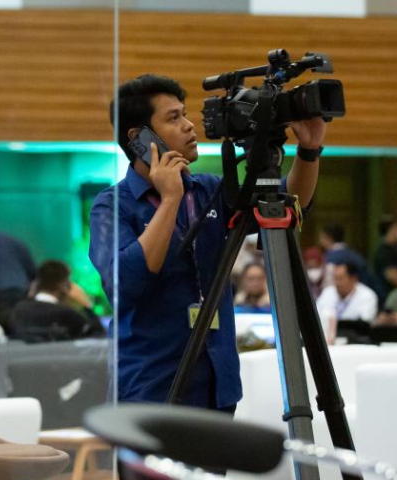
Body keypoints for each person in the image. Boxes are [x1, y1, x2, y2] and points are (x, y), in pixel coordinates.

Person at [88, 74, 324, 411]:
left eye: (185, 113)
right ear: (139, 138)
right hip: (149, 386)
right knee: (155, 468)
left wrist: (310, 150)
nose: (188, 125)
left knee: (213, 466)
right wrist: (170, 199)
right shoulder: (111, 206)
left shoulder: (209, 190)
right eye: (173, 118)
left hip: (216, 383)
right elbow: (124, 282)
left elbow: (286, 205)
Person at [11, 260, 104, 343]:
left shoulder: (19, 310)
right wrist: (86, 304)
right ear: (65, 286)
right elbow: (99, 337)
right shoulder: (68, 314)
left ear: (36, 284)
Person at [315, 262, 378, 344]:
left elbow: (364, 322)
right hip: (327, 340)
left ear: (353, 278)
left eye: (340, 279)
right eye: (335, 278)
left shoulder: (367, 295)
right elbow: (317, 317)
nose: (337, 283)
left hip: (356, 342)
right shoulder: (327, 293)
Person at [319, 224, 378, 294]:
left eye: (322, 237)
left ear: (329, 238)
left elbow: (328, 285)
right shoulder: (356, 255)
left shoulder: (330, 259)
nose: (320, 241)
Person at [373, 215, 397, 301]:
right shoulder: (384, 252)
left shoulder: (395, 248)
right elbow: (392, 276)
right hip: (388, 297)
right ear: (392, 229)